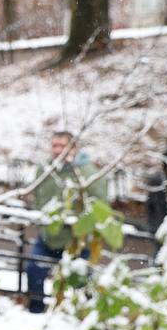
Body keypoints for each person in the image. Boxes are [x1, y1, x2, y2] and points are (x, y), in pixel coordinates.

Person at [25, 130, 108, 314]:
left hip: (77, 241)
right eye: (54, 145)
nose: (57, 150)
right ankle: (36, 311)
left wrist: (81, 227)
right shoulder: (44, 169)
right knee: (33, 269)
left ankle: (79, 312)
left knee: (80, 278)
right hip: (49, 236)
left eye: (62, 146)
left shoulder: (88, 173)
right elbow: (38, 198)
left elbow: (100, 205)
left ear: (74, 148)